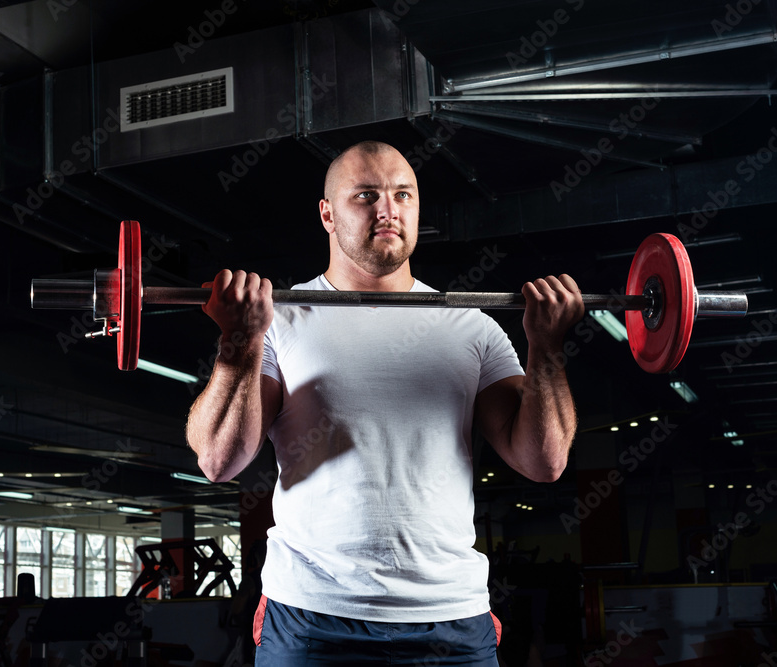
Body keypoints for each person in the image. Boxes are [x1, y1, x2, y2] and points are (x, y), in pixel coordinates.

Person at [186, 140, 583, 666]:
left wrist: (547, 350)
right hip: (312, 618)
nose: (388, 209)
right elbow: (219, 460)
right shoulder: (279, 322)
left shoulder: (473, 328)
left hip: (451, 618)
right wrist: (238, 344)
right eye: (366, 196)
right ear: (327, 214)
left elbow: (544, 461)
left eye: (403, 194)